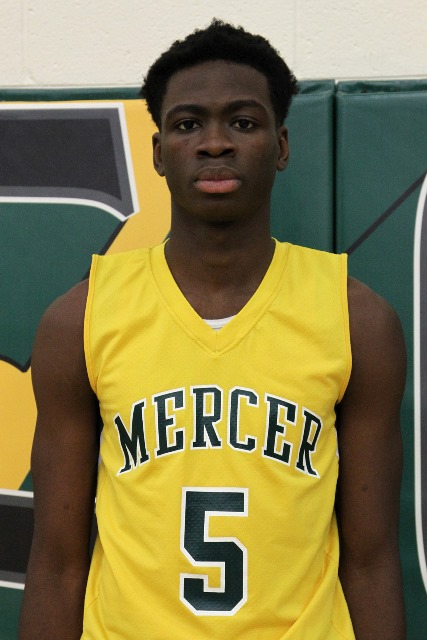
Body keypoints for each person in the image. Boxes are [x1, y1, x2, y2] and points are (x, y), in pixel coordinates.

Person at [19, 19, 406, 640]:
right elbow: (58, 564)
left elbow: (371, 561)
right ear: (158, 152)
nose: (215, 143)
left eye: (243, 123)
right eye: (188, 124)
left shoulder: (359, 320)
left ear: (281, 146)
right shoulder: (80, 319)